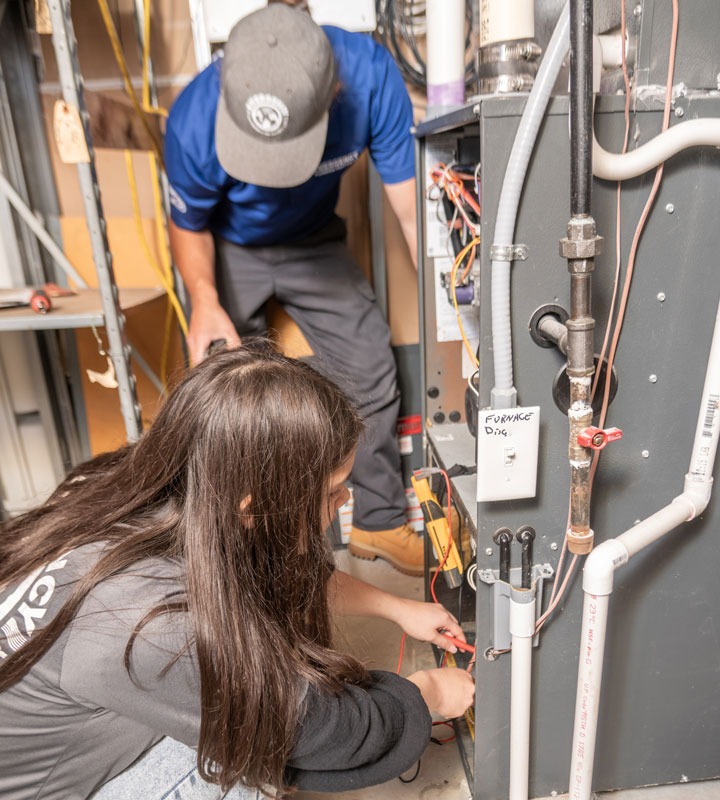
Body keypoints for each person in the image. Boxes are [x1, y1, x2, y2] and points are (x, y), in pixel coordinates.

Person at [0, 346, 475, 800]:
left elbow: (261, 564)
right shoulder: (149, 623)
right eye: (332, 492)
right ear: (252, 507)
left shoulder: (154, 485)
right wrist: (426, 695)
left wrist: (400, 608)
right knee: (247, 758)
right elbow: (324, 729)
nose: (345, 501)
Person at [164, 3, 423, 576]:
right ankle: (249, 544)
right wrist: (205, 300)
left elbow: (411, 213)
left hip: (314, 241)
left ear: (333, 91)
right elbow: (188, 226)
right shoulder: (194, 117)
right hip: (229, 246)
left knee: (370, 367)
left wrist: (445, 294)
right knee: (232, 388)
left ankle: (377, 524)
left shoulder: (371, 78)